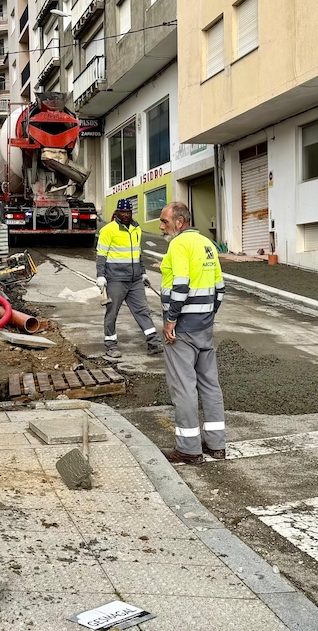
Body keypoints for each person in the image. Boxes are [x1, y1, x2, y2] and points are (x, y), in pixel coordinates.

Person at [157, 201, 226, 464]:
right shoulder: (207, 244)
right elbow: (220, 288)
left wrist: (171, 319)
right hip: (205, 326)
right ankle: (216, 445)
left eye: (164, 221)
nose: (161, 226)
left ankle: (188, 448)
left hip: (183, 328)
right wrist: (208, 315)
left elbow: (182, 284)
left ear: (179, 222)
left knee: (184, 387)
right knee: (209, 384)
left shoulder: (179, 244)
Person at [94, 198, 162, 358]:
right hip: (116, 279)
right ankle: (111, 345)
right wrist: (101, 276)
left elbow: (138, 254)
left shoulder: (136, 229)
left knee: (143, 311)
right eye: (122, 212)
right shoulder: (108, 230)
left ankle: (154, 343)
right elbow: (101, 255)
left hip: (135, 280)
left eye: (128, 212)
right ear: (117, 212)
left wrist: (143, 272)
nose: (125, 215)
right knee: (112, 313)